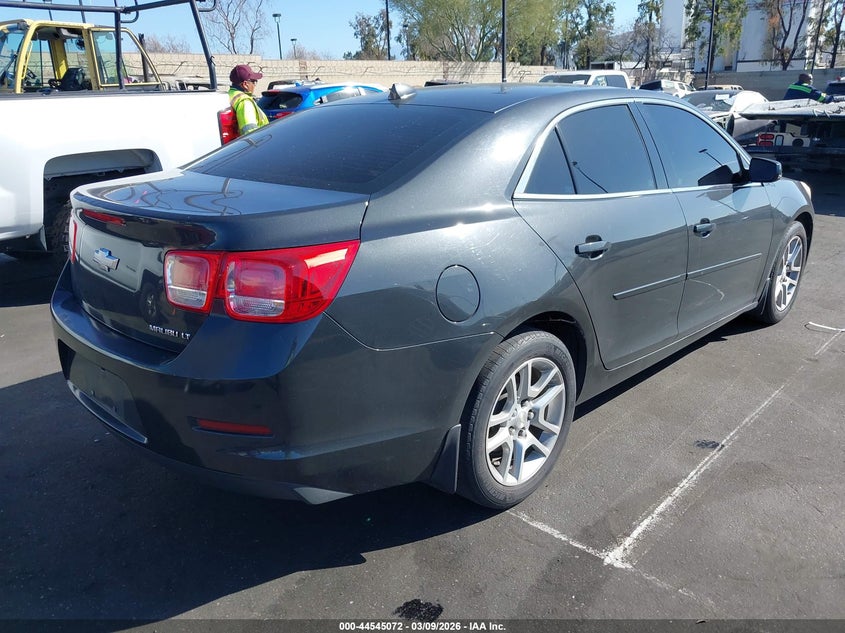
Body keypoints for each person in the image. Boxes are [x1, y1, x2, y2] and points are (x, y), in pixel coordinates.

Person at [228, 64, 269, 136]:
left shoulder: (230, 94)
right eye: (254, 81)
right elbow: (250, 132)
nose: (254, 85)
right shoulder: (245, 102)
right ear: (245, 84)